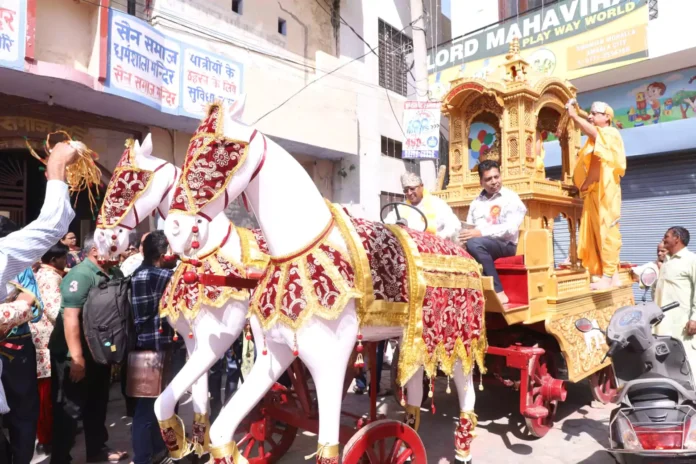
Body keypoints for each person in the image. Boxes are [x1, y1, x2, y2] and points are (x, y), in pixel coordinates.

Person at [49, 237, 128, 464]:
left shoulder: (114, 273)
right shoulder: (80, 275)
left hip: (99, 353)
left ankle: (96, 450)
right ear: (95, 249)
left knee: (97, 404)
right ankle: (61, 458)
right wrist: (77, 358)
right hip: (73, 355)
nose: (120, 253)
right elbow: (70, 317)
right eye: (115, 248)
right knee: (69, 410)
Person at [129, 231, 180, 464]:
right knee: (148, 406)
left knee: (152, 402)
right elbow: (182, 276)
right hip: (156, 347)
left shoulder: (138, 273)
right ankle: (142, 457)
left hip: (144, 345)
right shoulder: (158, 275)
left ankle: (157, 451)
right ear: (163, 253)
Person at [565, 101, 627, 290]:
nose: (590, 117)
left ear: (607, 117)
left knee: (606, 231)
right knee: (595, 234)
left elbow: (594, 131)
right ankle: (612, 275)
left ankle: (607, 276)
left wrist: (574, 117)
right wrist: (580, 112)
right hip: (593, 191)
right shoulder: (597, 136)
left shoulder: (610, 133)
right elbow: (593, 127)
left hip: (605, 191)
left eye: (594, 114)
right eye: (589, 114)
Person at [458, 160, 527, 304]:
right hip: (479, 242)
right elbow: (470, 228)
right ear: (481, 182)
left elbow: (510, 229)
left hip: (505, 245)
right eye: (488, 179)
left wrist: (480, 233)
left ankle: (498, 291)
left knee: (475, 243)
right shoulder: (476, 203)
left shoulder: (510, 198)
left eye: (496, 177)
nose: (494, 181)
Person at [32, 243, 69, 455]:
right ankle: (46, 439)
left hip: (41, 341)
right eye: (63, 258)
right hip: (46, 343)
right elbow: (57, 312)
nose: (67, 262)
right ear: (54, 260)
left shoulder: (43, 273)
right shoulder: (49, 277)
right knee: (46, 395)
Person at [654, 227, 696, 371]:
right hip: (663, 322)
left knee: (686, 360)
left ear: (677, 238)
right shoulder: (665, 261)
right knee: (667, 362)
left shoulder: (691, 260)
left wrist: (695, 318)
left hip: (682, 323)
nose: (663, 239)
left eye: (666, 236)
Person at [385, 172, 461, 241]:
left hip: (432, 245)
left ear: (421, 186)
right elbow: (387, 223)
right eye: (406, 190)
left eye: (412, 189)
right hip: (407, 246)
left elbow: (454, 224)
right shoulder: (401, 207)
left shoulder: (437, 204)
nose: (409, 193)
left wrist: (439, 237)